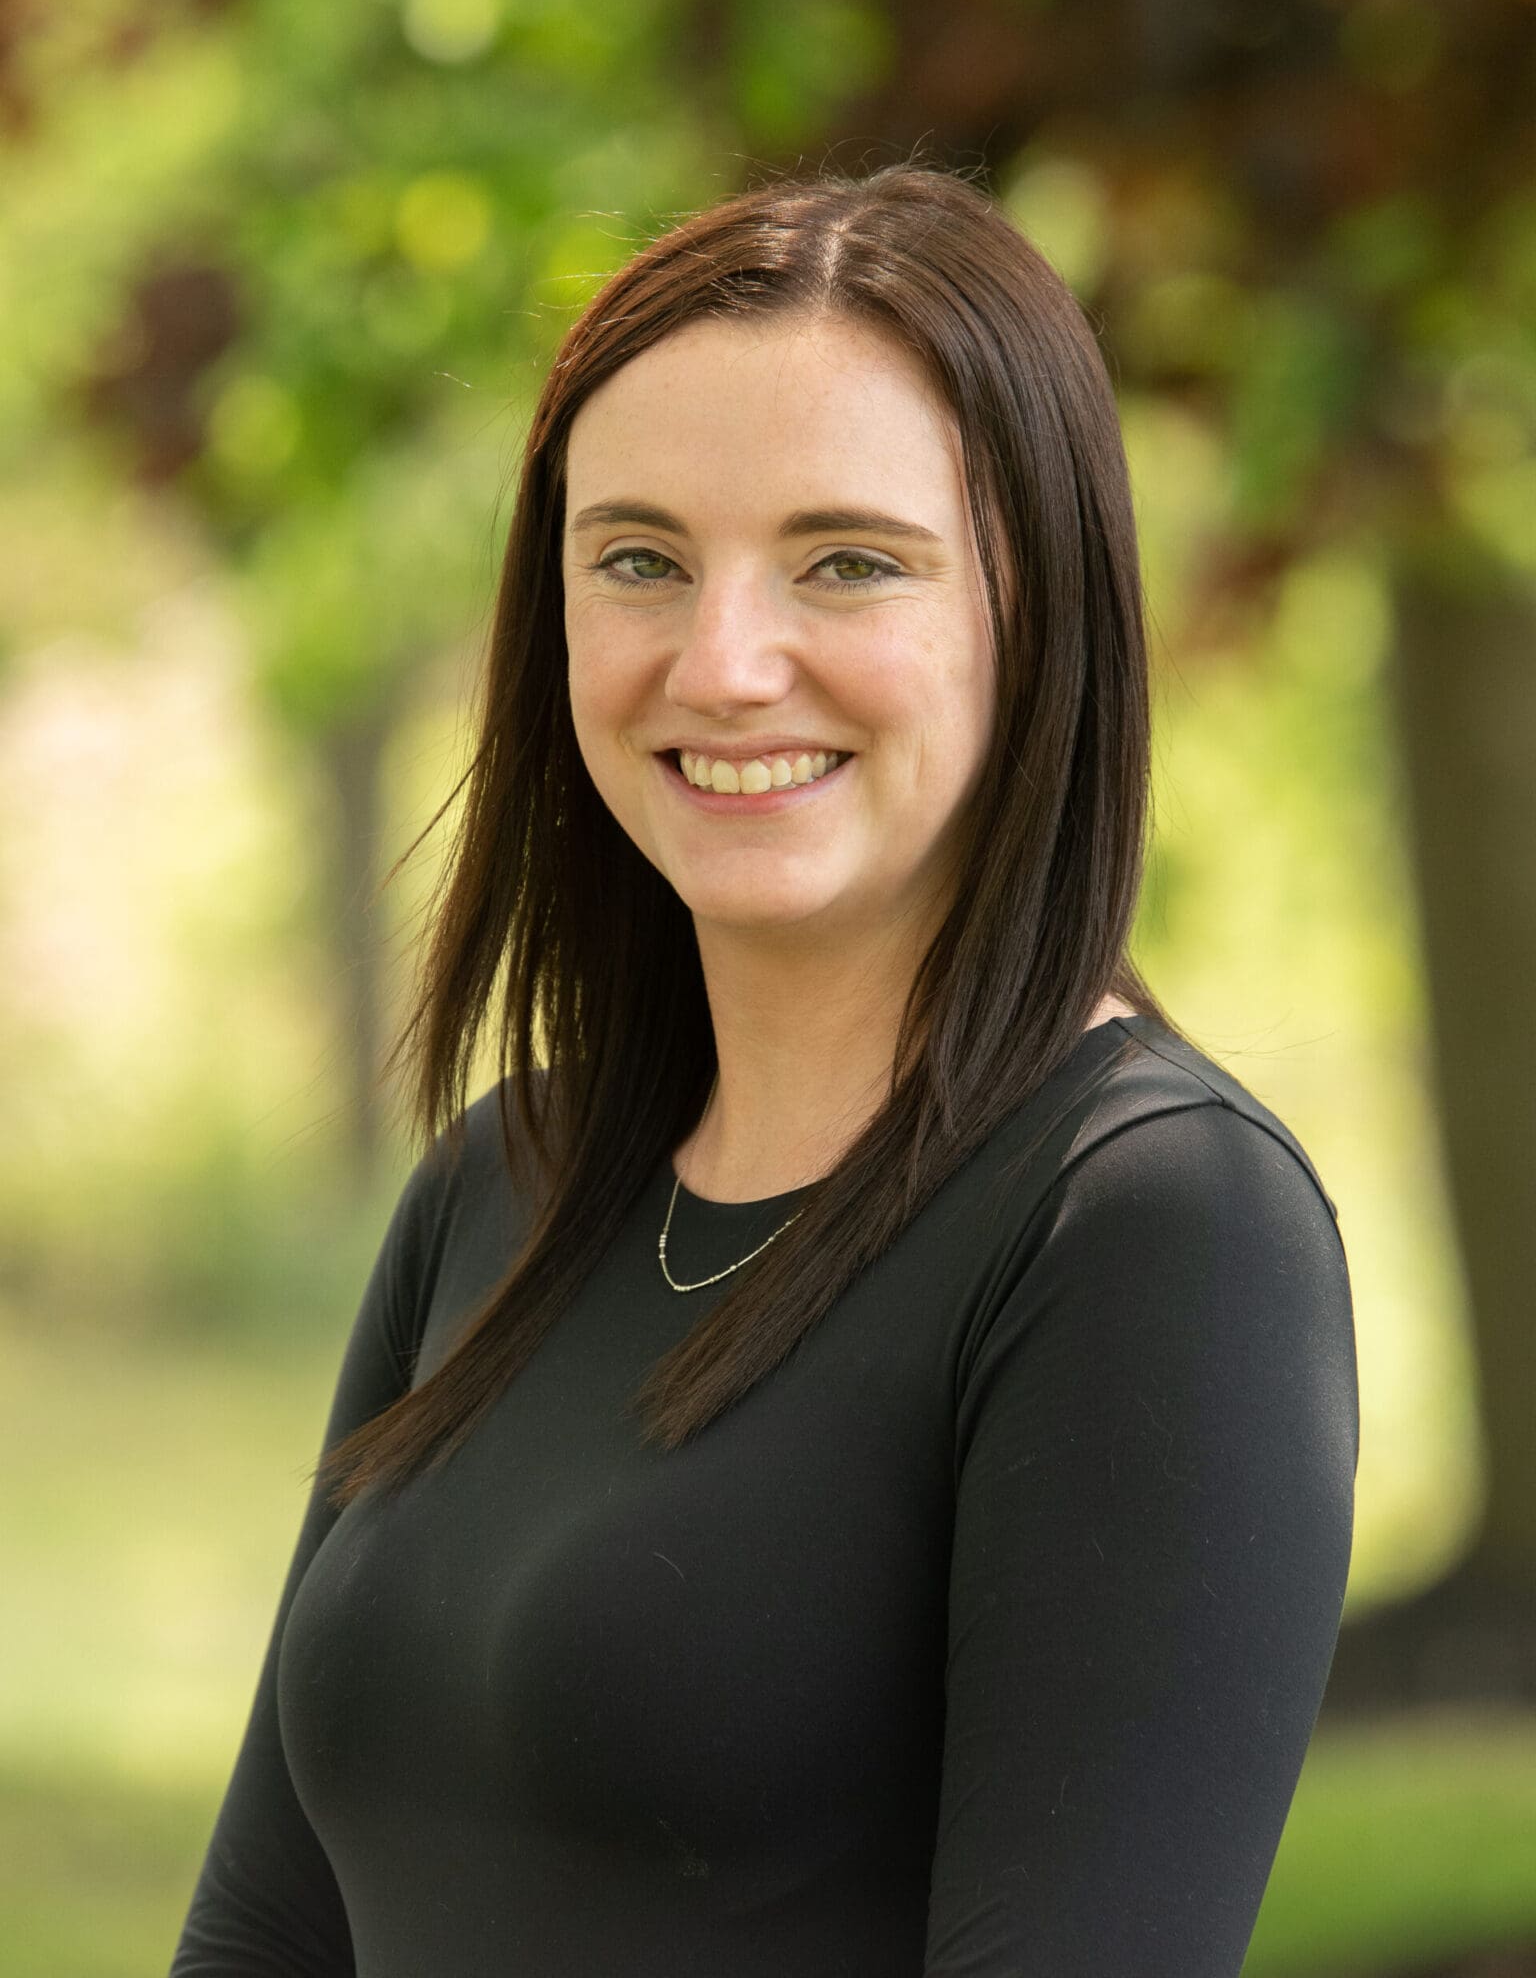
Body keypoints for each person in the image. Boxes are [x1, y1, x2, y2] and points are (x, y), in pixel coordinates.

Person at [169, 161, 1359, 1977]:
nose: (725, 664)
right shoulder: (511, 1177)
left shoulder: (1151, 1231)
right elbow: (264, 1932)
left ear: (1037, 616)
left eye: (849, 563)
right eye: (639, 559)